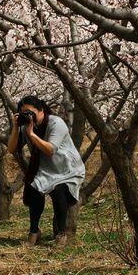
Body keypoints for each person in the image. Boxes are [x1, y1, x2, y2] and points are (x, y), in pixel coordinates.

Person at [7, 96, 85, 247]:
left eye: (30, 112)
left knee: (58, 191)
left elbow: (50, 150)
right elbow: (11, 149)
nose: (28, 115)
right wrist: (16, 127)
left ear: (41, 110)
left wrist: (31, 134)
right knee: (35, 189)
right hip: (46, 171)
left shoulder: (56, 123)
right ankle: (34, 232)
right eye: (23, 113)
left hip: (67, 169)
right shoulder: (26, 126)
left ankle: (61, 234)